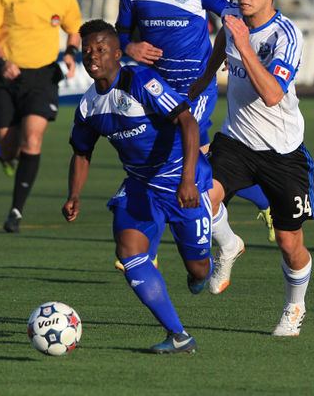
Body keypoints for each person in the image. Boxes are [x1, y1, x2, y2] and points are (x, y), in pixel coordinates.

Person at [63, 20, 213, 353]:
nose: (92, 57)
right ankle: (178, 335)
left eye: (101, 49)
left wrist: (187, 179)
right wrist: (74, 194)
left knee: (198, 269)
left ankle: (203, 269)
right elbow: (81, 153)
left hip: (179, 182)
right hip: (140, 186)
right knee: (129, 252)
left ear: (118, 53)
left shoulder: (139, 80)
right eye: (87, 51)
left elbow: (187, 122)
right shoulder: (88, 106)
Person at [115, 0, 275, 247]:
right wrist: (130, 47)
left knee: (173, 157)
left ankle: (149, 243)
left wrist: (237, 49)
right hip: (157, 93)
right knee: (201, 162)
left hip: (195, 90)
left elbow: (232, 14)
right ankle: (264, 200)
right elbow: (119, 32)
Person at [192, 0, 314, 336]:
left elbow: (272, 95)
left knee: (288, 242)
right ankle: (229, 245)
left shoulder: (286, 36)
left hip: (283, 152)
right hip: (236, 141)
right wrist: (200, 83)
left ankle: (294, 307)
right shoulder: (233, 19)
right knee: (201, 195)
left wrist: (246, 45)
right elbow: (223, 42)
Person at [0, 0, 82, 233]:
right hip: (7, 76)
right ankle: (7, 157)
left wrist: (70, 53)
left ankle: (15, 211)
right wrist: (2, 61)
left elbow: (74, 28)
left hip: (43, 78)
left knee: (33, 139)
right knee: (8, 147)